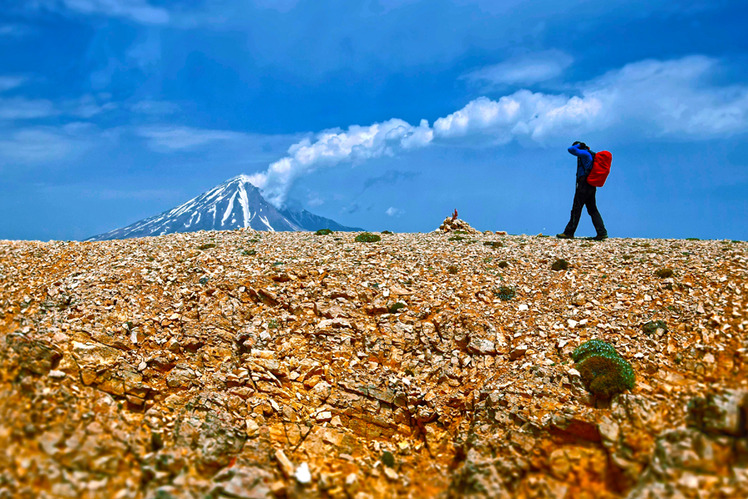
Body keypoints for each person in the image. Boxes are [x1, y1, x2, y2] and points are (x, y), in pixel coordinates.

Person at [557, 141, 608, 240]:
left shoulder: (585, 154)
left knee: (577, 208)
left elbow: (570, 149)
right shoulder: (591, 154)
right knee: (592, 209)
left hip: (583, 184)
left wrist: (579, 145)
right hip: (591, 185)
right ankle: (601, 232)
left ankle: (569, 232)